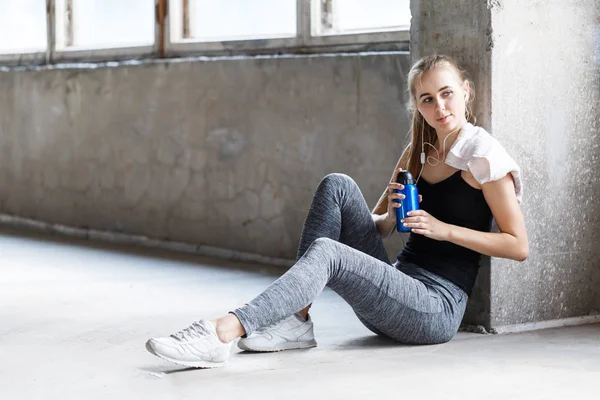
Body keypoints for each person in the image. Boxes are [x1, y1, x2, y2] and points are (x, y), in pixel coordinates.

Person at [145, 54, 529, 368]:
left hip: (434, 309)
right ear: (418, 105)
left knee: (328, 253)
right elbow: (376, 227)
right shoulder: (416, 153)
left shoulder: (484, 157)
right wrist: (393, 217)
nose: (440, 106)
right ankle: (297, 321)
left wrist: (443, 229)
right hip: (394, 287)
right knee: (337, 184)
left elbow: (518, 245)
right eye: (427, 99)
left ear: (465, 92)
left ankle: (223, 331)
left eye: (447, 93)